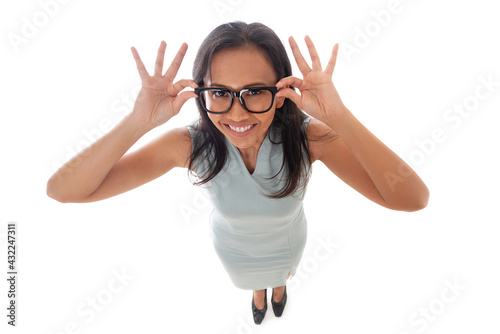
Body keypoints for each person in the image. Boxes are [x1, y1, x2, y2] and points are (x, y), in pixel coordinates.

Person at [46, 21, 429, 325]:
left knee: (281, 276)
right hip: (233, 249)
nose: (237, 113)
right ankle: (258, 293)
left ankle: (277, 289)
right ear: (202, 93)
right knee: (251, 284)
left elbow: (412, 199)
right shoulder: (190, 145)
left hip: (286, 242)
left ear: (281, 92)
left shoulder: (308, 138)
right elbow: (63, 190)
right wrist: (136, 122)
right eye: (220, 93)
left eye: (255, 91)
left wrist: (339, 117)